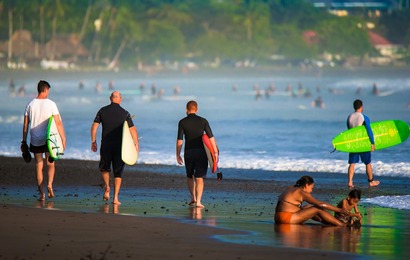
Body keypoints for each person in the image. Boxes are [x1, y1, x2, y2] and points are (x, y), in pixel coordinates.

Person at [91, 91, 139, 205]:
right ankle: (116, 198)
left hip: (106, 145)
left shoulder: (102, 111)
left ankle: (107, 186)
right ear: (120, 99)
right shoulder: (125, 113)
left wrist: (93, 141)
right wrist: (136, 144)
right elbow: (133, 130)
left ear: (110, 98)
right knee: (118, 173)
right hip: (120, 148)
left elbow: (94, 126)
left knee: (104, 168)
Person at [21, 80, 66, 201]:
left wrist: (23, 141)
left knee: (38, 165)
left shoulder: (30, 105)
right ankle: (50, 184)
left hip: (35, 139)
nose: (48, 93)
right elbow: (57, 122)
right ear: (45, 90)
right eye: (48, 91)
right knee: (50, 164)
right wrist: (63, 138)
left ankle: (42, 194)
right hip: (49, 139)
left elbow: (25, 125)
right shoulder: (51, 104)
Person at [176, 100, 218, 209]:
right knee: (199, 178)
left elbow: (180, 140)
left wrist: (178, 154)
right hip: (201, 153)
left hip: (189, 153)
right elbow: (210, 137)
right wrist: (215, 151)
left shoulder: (182, 122)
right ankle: (199, 202)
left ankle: (193, 197)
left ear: (186, 109)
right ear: (197, 109)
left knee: (190, 176)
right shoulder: (203, 121)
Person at [274, 176, 348, 226]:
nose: (311, 190)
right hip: (286, 219)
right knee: (316, 208)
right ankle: (341, 225)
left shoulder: (290, 188)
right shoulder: (302, 192)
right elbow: (321, 204)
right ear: (306, 185)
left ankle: (328, 222)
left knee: (308, 207)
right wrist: (339, 210)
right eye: (311, 187)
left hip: (277, 217)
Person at [347, 99, 380, 188]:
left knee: (352, 163)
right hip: (363, 143)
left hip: (354, 143)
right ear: (361, 107)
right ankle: (371, 181)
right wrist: (372, 143)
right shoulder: (364, 117)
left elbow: (348, 132)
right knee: (368, 163)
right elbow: (369, 130)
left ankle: (350, 182)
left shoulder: (349, 117)